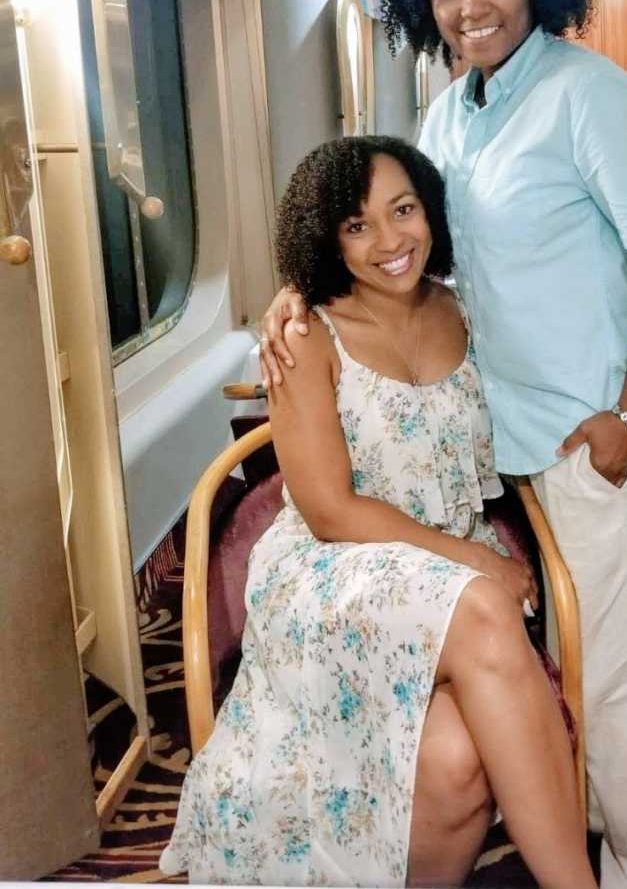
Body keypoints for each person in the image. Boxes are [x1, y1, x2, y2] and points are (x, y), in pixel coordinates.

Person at [261, 0, 627, 889]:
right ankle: (580, 822)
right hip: (499, 436)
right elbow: (392, 233)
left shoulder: (591, 92)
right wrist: (295, 287)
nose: (472, 4)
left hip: (592, 427)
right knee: (565, 661)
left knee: (619, 676)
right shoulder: (450, 110)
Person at [160, 136, 594, 888]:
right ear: (327, 237)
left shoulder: (468, 311)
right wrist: (478, 559)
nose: (390, 242)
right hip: (331, 577)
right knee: (486, 604)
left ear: (430, 210)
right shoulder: (307, 332)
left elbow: (566, 326)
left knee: (458, 764)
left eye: (403, 211)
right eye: (357, 226)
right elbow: (329, 510)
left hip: (447, 571)